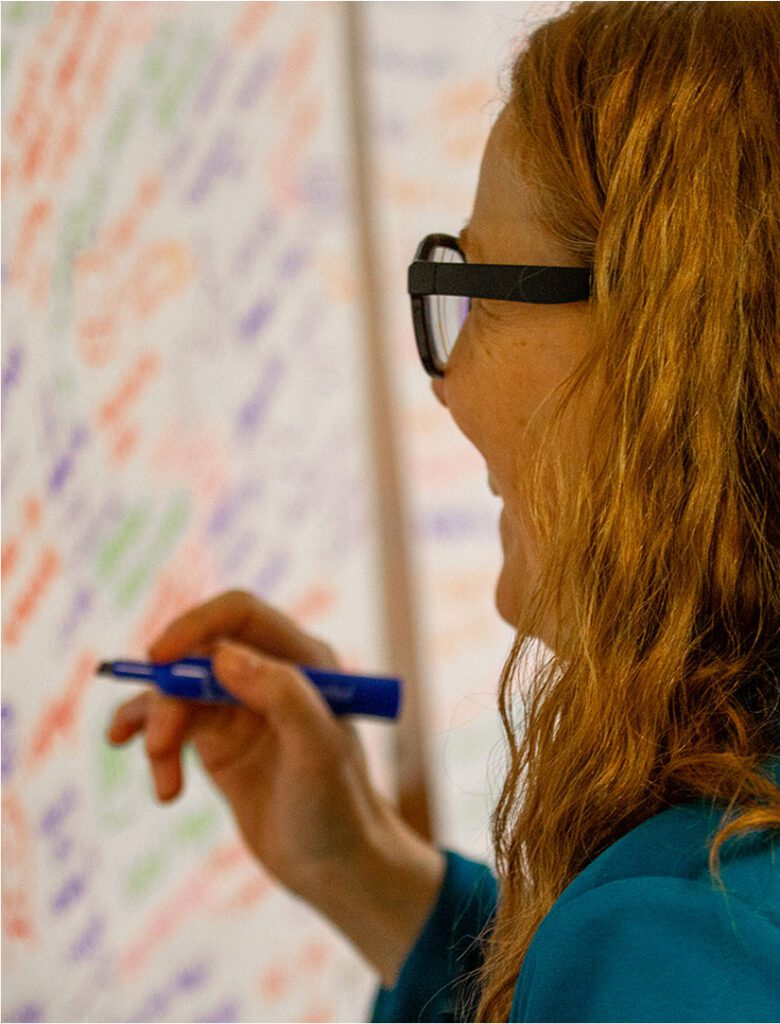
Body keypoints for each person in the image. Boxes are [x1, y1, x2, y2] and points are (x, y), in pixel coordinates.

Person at [107, 3, 780, 1020]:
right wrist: (365, 868)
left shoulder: (685, 931)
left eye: (480, 290)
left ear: (671, 349)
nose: (448, 381)